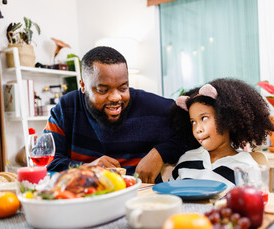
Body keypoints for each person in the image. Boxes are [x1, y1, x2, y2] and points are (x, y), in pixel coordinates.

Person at [44, 46, 188, 183]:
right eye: (103, 90)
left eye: (123, 88)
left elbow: (196, 129)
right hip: (85, 197)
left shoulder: (152, 107)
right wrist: (86, 168)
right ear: (83, 86)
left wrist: (161, 153)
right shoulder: (67, 108)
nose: (115, 97)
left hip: (141, 198)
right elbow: (46, 160)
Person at [168, 78, 274, 189]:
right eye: (193, 122)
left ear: (226, 118)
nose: (197, 129)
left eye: (204, 118)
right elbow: (169, 196)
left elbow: (253, 203)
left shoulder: (246, 167)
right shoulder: (186, 161)